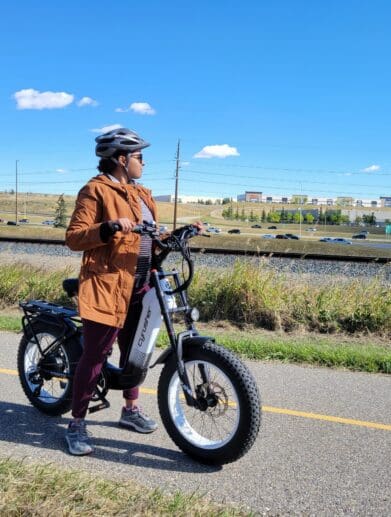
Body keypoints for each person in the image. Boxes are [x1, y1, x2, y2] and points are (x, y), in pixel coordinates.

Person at [65, 127, 160, 456]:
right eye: (139, 157)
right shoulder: (94, 191)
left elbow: (148, 237)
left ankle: (129, 410)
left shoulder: (142, 194)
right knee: (95, 355)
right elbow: (75, 237)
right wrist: (108, 227)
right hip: (108, 285)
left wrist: (182, 233)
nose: (144, 163)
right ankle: (77, 423)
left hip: (141, 284)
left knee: (136, 352)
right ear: (122, 159)